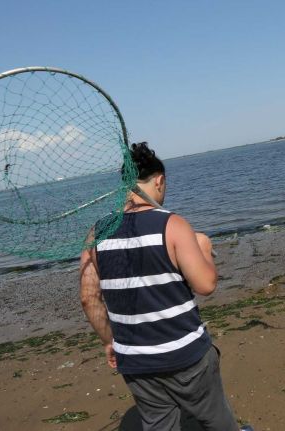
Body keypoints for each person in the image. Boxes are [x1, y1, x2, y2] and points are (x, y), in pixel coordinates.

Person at [80, 142, 252, 430]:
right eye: (164, 185)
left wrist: (109, 340)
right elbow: (206, 284)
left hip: (134, 359)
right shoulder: (172, 224)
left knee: (159, 424)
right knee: (215, 417)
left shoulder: (97, 232)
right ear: (159, 181)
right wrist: (205, 247)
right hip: (186, 354)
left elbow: (89, 298)